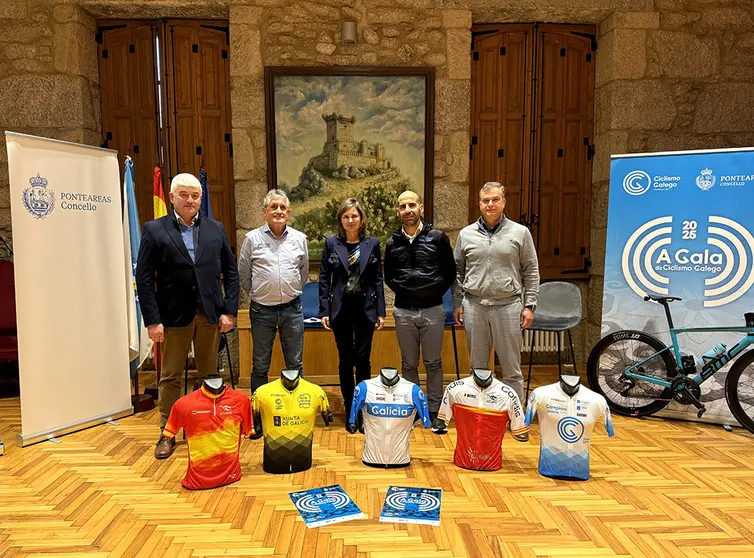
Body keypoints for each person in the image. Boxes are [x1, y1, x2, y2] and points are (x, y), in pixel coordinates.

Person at [136, 172, 239, 460]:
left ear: (200, 198)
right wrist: (152, 320)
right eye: (183, 195)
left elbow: (231, 274)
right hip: (172, 318)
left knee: (211, 375)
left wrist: (228, 311)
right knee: (169, 376)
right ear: (171, 198)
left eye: (195, 195)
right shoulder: (154, 230)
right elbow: (144, 278)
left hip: (209, 316)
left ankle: (210, 426)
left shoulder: (215, 229)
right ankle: (167, 432)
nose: (190, 200)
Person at [453, 181, 540, 402]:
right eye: (485, 200)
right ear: (479, 204)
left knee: (511, 369)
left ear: (503, 202)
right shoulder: (466, 234)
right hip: (474, 307)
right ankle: (480, 415)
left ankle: (515, 417)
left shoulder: (520, 232)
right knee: (478, 369)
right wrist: (457, 303)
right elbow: (457, 272)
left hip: (508, 306)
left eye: (495, 200)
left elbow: (531, 270)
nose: (490, 204)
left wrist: (529, 305)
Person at [384, 190, 456, 433]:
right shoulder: (392, 242)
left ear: (421, 208)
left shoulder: (438, 238)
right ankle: (414, 410)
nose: (407, 210)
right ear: (398, 211)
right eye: (402, 206)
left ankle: (435, 412)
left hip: (433, 310)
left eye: (412, 205)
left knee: (433, 362)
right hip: (403, 312)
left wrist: (431, 290)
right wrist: (407, 291)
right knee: (409, 364)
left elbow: (450, 273)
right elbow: (389, 276)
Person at [238, 189, 308, 439]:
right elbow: (244, 275)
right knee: (260, 366)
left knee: (295, 365)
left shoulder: (300, 238)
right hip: (261, 311)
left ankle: (296, 413)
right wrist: (261, 293)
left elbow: (302, 272)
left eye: (283, 207)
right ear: (265, 211)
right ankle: (258, 416)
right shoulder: (251, 239)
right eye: (273, 207)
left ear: (288, 212)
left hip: (292, 309)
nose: (278, 211)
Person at [318, 198, 386, 424]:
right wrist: (324, 310)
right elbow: (324, 279)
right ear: (341, 219)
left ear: (361, 218)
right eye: (346, 216)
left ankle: (362, 410)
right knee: (346, 360)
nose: (350, 220)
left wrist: (381, 311)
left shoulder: (372, 243)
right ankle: (350, 411)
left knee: (364, 361)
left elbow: (377, 278)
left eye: (354, 216)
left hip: (365, 307)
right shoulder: (331, 244)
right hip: (341, 308)